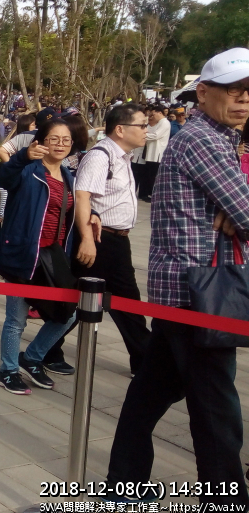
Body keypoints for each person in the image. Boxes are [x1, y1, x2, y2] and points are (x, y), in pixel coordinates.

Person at [103, 48, 249, 508]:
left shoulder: (216, 138)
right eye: (233, 90)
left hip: (185, 288)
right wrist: (236, 213)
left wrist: (236, 212)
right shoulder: (205, 140)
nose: (243, 100)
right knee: (216, 411)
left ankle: (124, 487)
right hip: (199, 294)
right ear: (202, 93)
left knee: (150, 394)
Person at [43, 103, 151, 377]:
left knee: (88, 301)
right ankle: (146, 363)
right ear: (120, 129)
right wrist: (88, 240)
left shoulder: (123, 158)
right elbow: (82, 196)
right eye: (142, 125)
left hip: (116, 240)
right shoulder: (100, 156)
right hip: (102, 240)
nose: (146, 130)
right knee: (115, 302)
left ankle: (45, 351)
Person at [0, 117, 78, 395]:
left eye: (65, 140)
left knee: (68, 314)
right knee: (17, 319)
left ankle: (32, 357)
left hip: (53, 254)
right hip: (24, 251)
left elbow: (71, 208)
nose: (60, 145)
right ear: (41, 142)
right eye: (54, 139)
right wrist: (23, 156)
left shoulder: (68, 175)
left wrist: (93, 216)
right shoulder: (29, 170)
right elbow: (4, 178)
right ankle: (8, 370)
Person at [136, 104, 170, 202]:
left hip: (157, 153)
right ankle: (144, 193)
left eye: (154, 114)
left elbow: (156, 135)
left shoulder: (165, 123)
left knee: (153, 176)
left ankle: (152, 194)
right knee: (147, 175)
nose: (152, 116)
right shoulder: (157, 123)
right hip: (150, 153)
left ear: (160, 113)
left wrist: (142, 136)